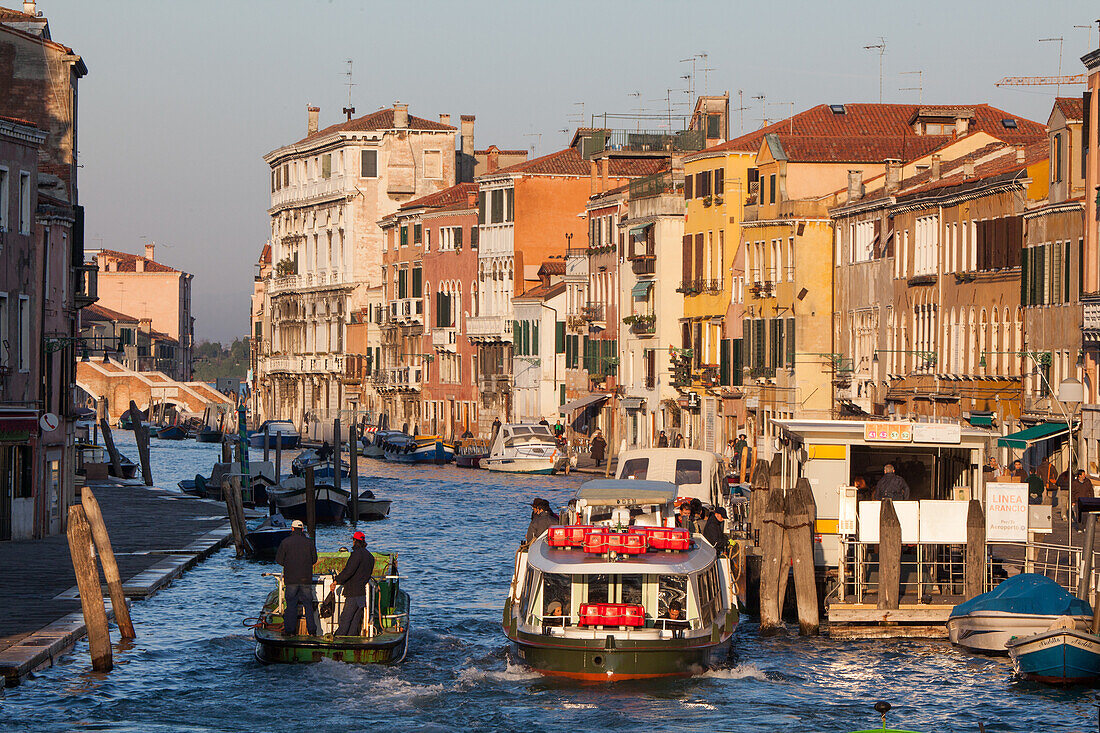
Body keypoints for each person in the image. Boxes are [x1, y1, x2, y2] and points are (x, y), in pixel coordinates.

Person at [276, 519, 318, 636]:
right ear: (303, 529)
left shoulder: (285, 542)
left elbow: (279, 560)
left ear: (292, 529)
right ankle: (312, 631)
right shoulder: (310, 542)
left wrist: (289, 564)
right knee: (308, 605)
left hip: (291, 579)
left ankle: (290, 631)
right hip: (306, 579)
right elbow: (314, 559)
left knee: (291, 605)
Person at [331, 530, 376, 636]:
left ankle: (338, 639)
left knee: (345, 619)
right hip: (362, 594)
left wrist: (336, 580)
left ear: (355, 541)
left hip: (353, 593)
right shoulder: (370, 556)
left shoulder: (356, 554)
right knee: (354, 623)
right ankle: (351, 641)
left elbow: (348, 571)